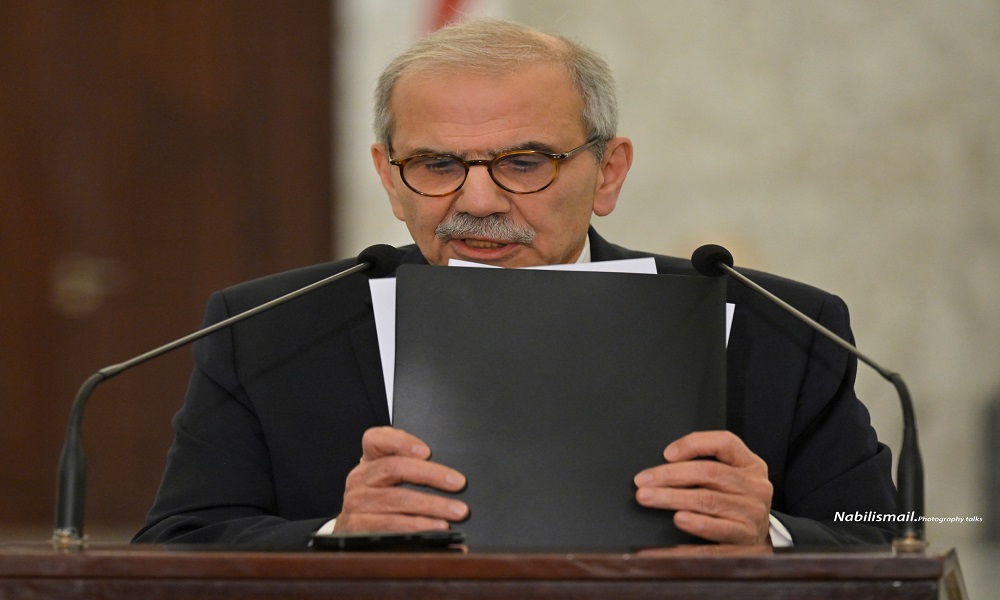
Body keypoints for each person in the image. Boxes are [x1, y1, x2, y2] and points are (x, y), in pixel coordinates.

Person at [134, 18, 896, 548]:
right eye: (437, 164)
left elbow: (888, 543)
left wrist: (770, 532)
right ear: (389, 179)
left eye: (524, 162)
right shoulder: (269, 328)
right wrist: (335, 534)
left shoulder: (776, 324)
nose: (477, 200)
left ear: (609, 172)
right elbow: (176, 543)